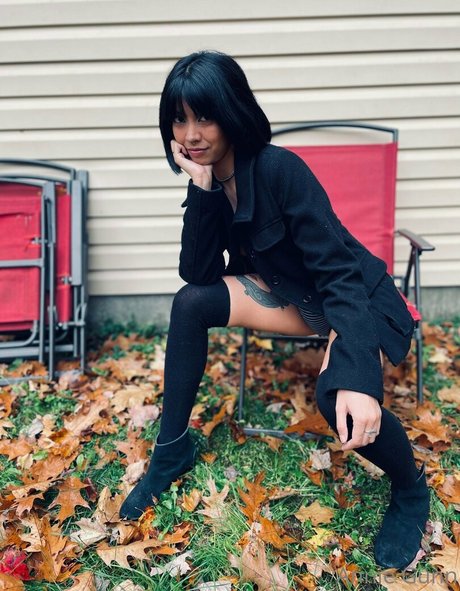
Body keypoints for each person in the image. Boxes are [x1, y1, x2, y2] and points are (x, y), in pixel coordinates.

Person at [120, 50, 430, 571]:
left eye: (204, 117)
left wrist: (359, 374)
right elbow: (198, 272)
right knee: (190, 302)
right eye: (179, 119)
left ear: (232, 111)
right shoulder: (212, 180)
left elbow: (339, 272)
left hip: (352, 294)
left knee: (338, 396)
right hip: (295, 297)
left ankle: (411, 487)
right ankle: (171, 450)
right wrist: (201, 190)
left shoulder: (279, 169)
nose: (191, 134)